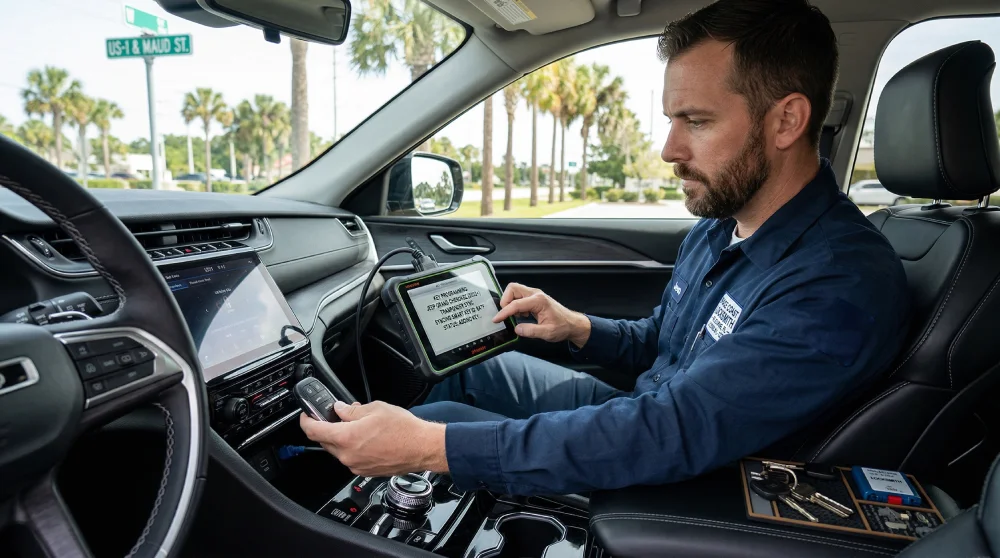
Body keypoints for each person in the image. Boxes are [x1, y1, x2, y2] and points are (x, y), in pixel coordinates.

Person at [300, 0, 910, 496]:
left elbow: (672, 433)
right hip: (645, 408)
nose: (670, 150)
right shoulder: (723, 226)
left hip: (675, 482)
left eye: (695, 121)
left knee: (439, 430)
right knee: (469, 366)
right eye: (672, 121)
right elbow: (665, 344)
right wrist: (578, 328)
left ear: (786, 121)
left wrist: (427, 448)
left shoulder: (838, 283)